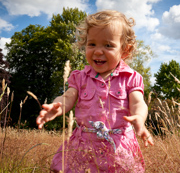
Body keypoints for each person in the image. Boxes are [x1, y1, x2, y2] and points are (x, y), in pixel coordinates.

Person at [36, 10, 154, 173]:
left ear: (125, 50)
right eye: (92, 44)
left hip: (117, 146)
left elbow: (138, 102)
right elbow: (68, 96)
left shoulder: (130, 77)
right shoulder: (79, 77)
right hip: (84, 146)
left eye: (108, 45)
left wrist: (139, 117)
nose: (98, 51)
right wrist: (57, 106)